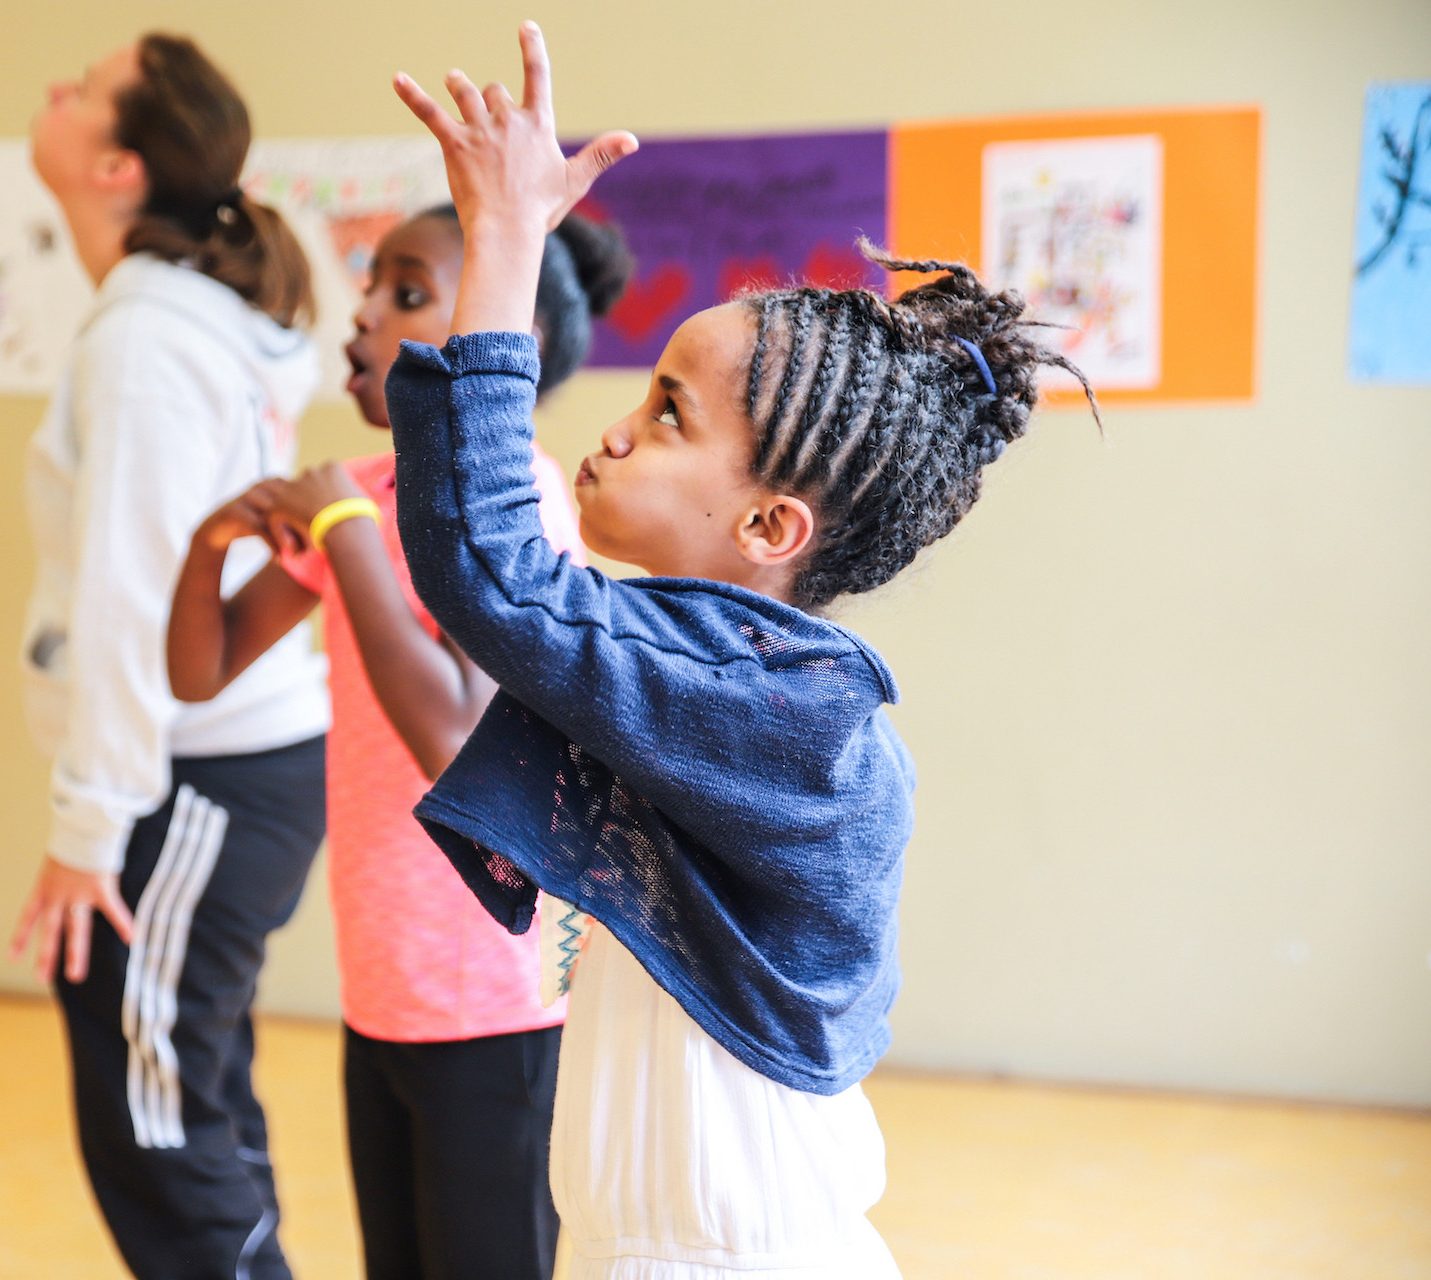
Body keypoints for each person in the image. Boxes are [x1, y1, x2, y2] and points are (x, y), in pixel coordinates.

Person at [385, 26, 1098, 1278]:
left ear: (771, 527)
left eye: (670, 413)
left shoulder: (776, 714)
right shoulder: (728, 669)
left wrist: (504, 240)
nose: (618, 432)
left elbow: (493, 570)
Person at [165, 203, 629, 1279]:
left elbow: (452, 734)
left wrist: (343, 532)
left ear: (506, 336)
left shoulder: (514, 506)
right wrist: (209, 542)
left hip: (492, 997)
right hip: (383, 983)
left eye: (407, 294)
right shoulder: (369, 492)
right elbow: (198, 671)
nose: (364, 315)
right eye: (370, 286)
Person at [6, 35, 329, 1280]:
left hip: (197, 776)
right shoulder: (170, 318)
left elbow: (131, 597)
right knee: (195, 1098)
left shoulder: (145, 337)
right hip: (215, 772)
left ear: (118, 165)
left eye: (82, 87)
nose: (56, 88)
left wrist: (88, 827)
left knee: (162, 1124)